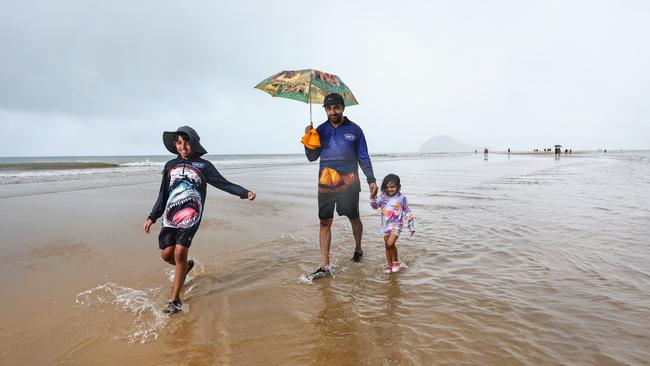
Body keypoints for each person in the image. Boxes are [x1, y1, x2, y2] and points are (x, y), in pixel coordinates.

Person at [143, 126, 256, 314]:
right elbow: (162, 194)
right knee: (166, 254)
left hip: (191, 214)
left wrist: (244, 192)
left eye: (187, 142)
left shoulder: (204, 166)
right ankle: (186, 267)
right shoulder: (170, 165)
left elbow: (223, 183)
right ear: (175, 145)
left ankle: (175, 299)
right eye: (179, 143)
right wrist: (152, 216)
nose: (183, 146)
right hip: (170, 215)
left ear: (193, 143)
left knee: (179, 253)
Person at [304, 93, 378, 277]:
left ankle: (358, 249)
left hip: (349, 184)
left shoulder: (355, 130)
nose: (333, 111)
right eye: (329, 108)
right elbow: (311, 157)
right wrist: (308, 138)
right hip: (325, 184)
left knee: (353, 217)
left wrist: (371, 179)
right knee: (324, 221)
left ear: (343, 108)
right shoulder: (320, 130)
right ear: (326, 110)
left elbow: (363, 156)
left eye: (336, 107)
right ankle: (325, 265)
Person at [370, 174, 415, 273]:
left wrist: (411, 226)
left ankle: (395, 262)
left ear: (398, 187)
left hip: (397, 224)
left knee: (390, 244)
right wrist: (373, 197)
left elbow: (407, 211)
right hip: (385, 225)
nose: (390, 189)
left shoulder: (401, 198)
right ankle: (389, 265)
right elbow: (374, 206)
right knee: (387, 246)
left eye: (393, 187)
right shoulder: (382, 196)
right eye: (387, 187)